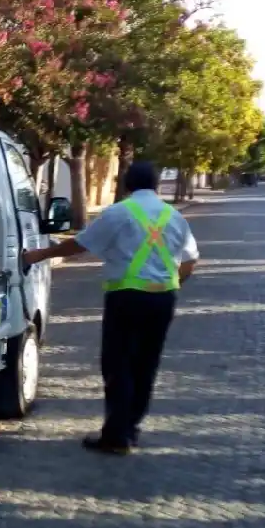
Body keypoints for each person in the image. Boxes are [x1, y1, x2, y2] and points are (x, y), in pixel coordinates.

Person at [24, 161, 199, 455]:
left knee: (119, 365)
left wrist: (41, 253)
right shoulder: (174, 216)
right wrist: (169, 284)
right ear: (156, 185)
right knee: (146, 364)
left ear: (126, 184)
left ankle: (117, 437)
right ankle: (129, 428)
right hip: (163, 299)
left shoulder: (120, 212)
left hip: (126, 298)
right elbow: (191, 261)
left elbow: (81, 244)